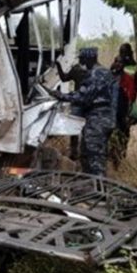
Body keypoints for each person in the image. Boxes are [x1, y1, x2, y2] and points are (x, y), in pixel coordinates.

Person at [52, 47, 117, 176]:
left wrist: (61, 96)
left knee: (94, 158)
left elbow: (83, 97)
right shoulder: (105, 72)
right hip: (106, 118)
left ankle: (97, 184)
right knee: (91, 154)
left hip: (97, 120)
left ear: (88, 58)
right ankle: (91, 183)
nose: (80, 61)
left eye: (82, 58)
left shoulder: (94, 74)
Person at [110, 43, 137, 165]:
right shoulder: (120, 65)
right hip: (120, 103)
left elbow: (136, 86)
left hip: (123, 103)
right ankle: (117, 156)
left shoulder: (132, 66)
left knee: (121, 129)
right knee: (120, 130)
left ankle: (118, 156)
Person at [55, 57, 88, 160]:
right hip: (88, 103)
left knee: (74, 127)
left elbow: (64, 78)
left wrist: (58, 65)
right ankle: (84, 153)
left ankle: (74, 152)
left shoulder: (76, 69)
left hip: (77, 102)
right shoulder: (94, 70)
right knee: (86, 129)